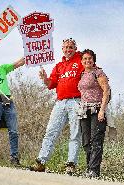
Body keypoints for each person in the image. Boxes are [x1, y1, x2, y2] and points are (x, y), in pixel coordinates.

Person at [30, 38, 84, 174]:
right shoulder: (59, 66)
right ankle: (41, 162)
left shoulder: (81, 60)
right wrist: (44, 78)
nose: (68, 49)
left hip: (77, 101)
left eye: (70, 47)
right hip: (60, 102)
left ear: (75, 48)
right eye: (65, 47)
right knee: (51, 132)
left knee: (75, 133)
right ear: (62, 49)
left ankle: (71, 164)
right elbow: (50, 84)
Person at [77, 49, 110, 178]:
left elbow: (106, 91)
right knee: (86, 141)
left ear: (93, 60)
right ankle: (88, 169)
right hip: (84, 111)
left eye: (89, 58)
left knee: (96, 140)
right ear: (81, 61)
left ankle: (94, 171)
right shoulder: (82, 74)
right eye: (84, 59)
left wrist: (102, 110)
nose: (87, 61)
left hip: (97, 110)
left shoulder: (99, 73)